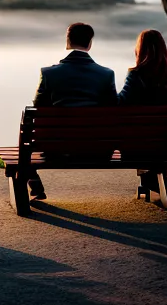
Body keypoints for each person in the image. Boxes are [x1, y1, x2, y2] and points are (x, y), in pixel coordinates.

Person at [27, 22, 117, 201]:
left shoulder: (49, 73)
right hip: (98, 149)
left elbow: (38, 106)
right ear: (90, 43)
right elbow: (113, 108)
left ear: (67, 41)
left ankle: (34, 182)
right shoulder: (106, 74)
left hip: (56, 149)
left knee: (24, 142)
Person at [118, 29, 167, 105]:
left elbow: (122, 102)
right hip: (165, 117)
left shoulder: (136, 75)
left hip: (140, 117)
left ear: (140, 50)